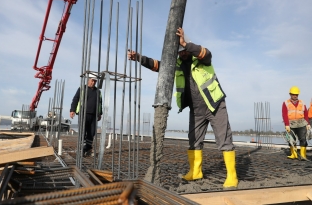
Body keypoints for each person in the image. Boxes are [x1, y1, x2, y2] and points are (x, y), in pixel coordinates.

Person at [127, 27, 238, 188]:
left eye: (183, 50)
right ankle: (196, 171)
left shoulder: (200, 58)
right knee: (193, 140)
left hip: (214, 104)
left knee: (224, 139)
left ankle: (232, 176)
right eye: (179, 51)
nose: (182, 53)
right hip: (196, 110)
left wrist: (185, 43)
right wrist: (138, 57)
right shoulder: (177, 64)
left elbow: (207, 53)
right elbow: (158, 65)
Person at [70, 74, 102, 156]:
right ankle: (81, 149)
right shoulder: (82, 88)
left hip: (94, 115)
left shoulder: (98, 91)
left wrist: (99, 113)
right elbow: (75, 99)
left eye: (95, 81)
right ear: (88, 80)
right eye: (92, 80)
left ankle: (88, 148)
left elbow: (100, 103)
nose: (93, 82)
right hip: (83, 113)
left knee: (92, 132)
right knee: (83, 132)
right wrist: (72, 110)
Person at [282, 86, 310, 160]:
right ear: (290, 94)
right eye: (293, 94)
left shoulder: (302, 102)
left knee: (303, 139)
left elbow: (306, 114)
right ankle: (294, 155)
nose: (295, 96)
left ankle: (303, 156)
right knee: (291, 140)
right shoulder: (286, 103)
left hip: (302, 123)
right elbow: (284, 114)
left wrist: (308, 124)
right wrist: (286, 125)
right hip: (291, 124)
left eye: (296, 94)